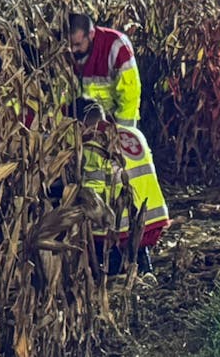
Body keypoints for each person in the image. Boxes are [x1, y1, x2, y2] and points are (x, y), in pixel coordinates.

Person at [74, 97, 169, 276]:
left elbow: (92, 196)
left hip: (121, 229)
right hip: (153, 218)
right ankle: (145, 273)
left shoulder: (93, 144)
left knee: (109, 255)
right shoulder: (134, 133)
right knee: (137, 254)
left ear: (79, 124)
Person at [65, 14, 142, 129]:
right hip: (83, 123)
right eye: (70, 45)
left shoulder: (117, 47)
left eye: (78, 44)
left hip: (112, 122)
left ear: (91, 34)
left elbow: (129, 97)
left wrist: (123, 132)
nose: (73, 50)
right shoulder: (65, 50)